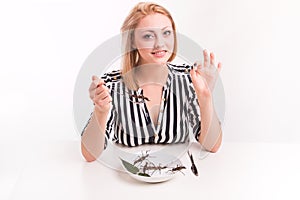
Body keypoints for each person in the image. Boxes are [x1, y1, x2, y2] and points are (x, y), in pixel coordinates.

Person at [81, 2, 222, 162]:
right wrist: (101, 111)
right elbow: (90, 155)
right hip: (125, 177)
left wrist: (205, 96)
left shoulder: (189, 78)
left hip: (180, 177)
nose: (160, 43)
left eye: (166, 33)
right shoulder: (112, 85)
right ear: (133, 41)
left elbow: (212, 146)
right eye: (148, 36)